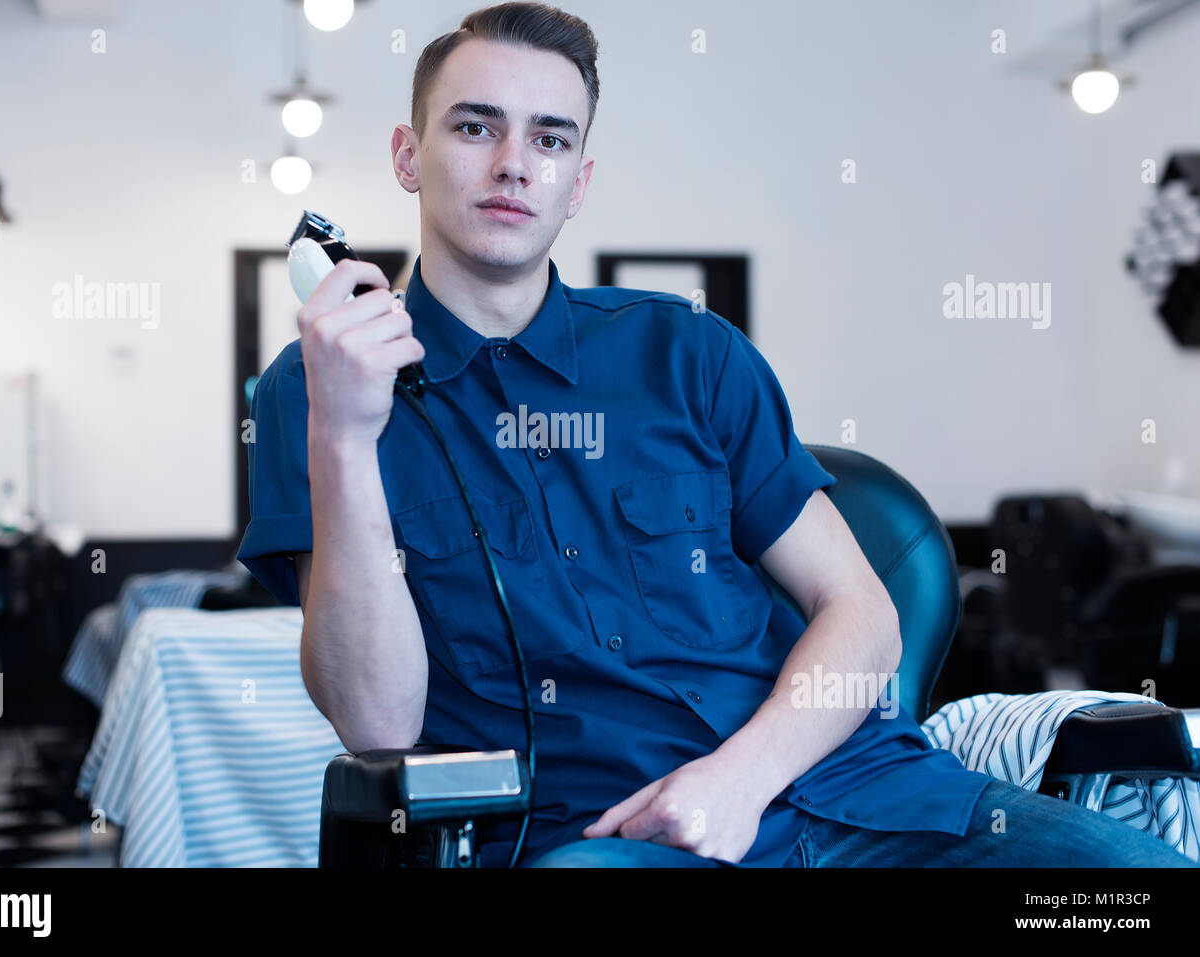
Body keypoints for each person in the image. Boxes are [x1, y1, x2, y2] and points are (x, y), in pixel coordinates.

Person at [237, 2, 1196, 868]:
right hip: (603, 835)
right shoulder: (311, 390)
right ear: (408, 156)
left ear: (580, 179)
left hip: (865, 797)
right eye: (476, 125)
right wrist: (346, 433)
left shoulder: (689, 353)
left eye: (551, 138)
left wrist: (739, 780)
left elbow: (862, 618)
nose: (513, 164)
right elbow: (379, 726)